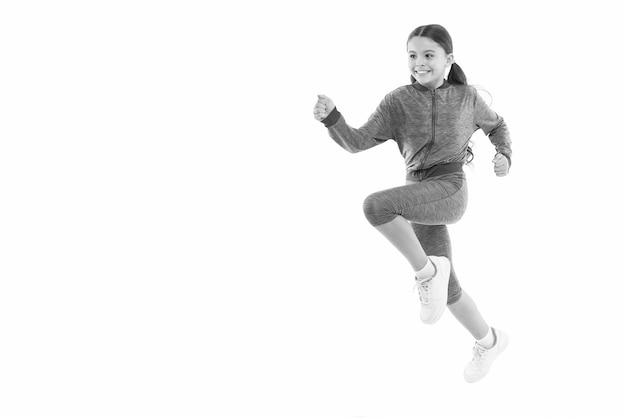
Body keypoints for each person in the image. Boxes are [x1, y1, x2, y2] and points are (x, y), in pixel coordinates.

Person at [313, 24, 511, 383]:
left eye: (428, 55)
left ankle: (426, 273)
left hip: (449, 188)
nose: (419, 62)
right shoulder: (398, 101)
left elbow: (497, 126)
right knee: (448, 292)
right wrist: (332, 119)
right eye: (413, 55)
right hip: (416, 192)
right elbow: (357, 141)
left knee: (377, 206)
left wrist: (505, 156)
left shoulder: (466, 98)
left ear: (448, 60)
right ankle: (490, 340)